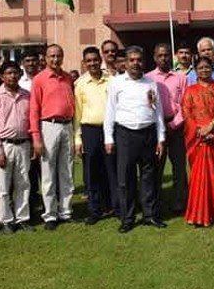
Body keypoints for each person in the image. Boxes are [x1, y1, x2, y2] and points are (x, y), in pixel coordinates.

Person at [104, 46, 166, 233]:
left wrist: (161, 138)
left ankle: (150, 215)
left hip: (148, 134)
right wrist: (108, 138)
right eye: (132, 60)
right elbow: (110, 111)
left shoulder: (151, 83)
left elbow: (159, 111)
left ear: (143, 61)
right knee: (125, 179)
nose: (135, 63)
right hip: (125, 135)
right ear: (126, 62)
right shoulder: (116, 83)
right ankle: (128, 218)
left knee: (149, 177)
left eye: (138, 60)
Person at [182, 56, 214, 226]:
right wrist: (200, 131)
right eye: (200, 68)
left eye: (207, 67)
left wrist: (211, 127)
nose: (204, 70)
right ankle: (199, 214)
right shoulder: (190, 90)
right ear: (195, 70)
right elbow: (187, 114)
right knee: (198, 176)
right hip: (198, 137)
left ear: (212, 68)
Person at [29, 44, 76, 231]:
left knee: (67, 171)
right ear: (46, 58)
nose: (55, 59)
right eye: (52, 56)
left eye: (59, 56)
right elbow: (34, 109)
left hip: (67, 126)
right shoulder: (40, 79)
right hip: (48, 126)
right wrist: (36, 137)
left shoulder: (67, 78)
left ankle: (66, 211)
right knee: (48, 173)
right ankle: (50, 214)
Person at [0, 60, 34, 234]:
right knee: (3, 186)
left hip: (23, 144)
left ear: (20, 75)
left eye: (15, 73)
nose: (12, 76)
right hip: (4, 145)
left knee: (23, 183)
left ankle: (22, 218)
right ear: (2, 76)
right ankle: (6, 220)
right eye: (9, 73)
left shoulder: (27, 95)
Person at [74, 47, 117, 225]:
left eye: (95, 60)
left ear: (100, 60)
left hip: (110, 130)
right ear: (84, 63)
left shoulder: (112, 80)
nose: (92, 63)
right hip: (89, 130)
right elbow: (77, 113)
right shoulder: (80, 84)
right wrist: (77, 138)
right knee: (91, 173)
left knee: (112, 170)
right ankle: (94, 210)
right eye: (88, 61)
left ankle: (116, 207)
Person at [146, 44, 188, 214]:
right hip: (156, 129)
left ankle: (180, 203)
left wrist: (173, 124)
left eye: (167, 55)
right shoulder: (148, 78)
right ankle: (155, 204)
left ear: (172, 57)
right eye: (160, 55)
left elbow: (186, 105)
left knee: (179, 168)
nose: (164, 58)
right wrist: (161, 127)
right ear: (155, 57)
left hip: (176, 128)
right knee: (155, 168)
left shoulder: (180, 78)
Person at [18, 48, 42, 215]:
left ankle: (51, 205)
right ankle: (31, 205)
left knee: (47, 171)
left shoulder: (44, 79)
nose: (31, 63)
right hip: (27, 133)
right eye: (27, 60)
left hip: (46, 129)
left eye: (33, 60)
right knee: (29, 171)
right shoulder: (18, 82)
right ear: (23, 63)